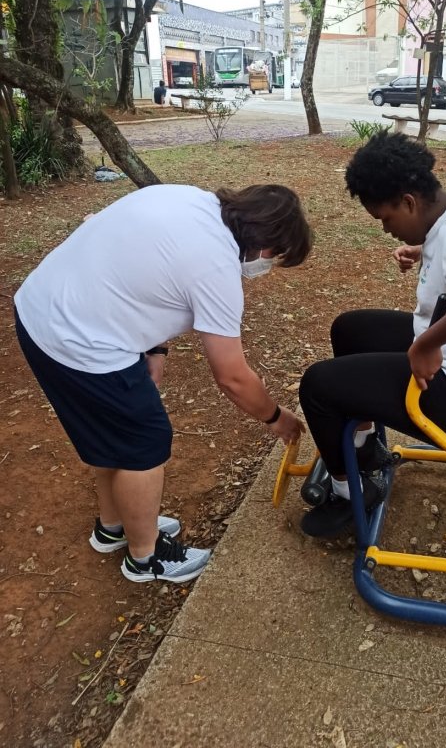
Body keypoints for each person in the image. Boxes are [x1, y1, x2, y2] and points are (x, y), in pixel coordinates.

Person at [14, 183, 312, 582]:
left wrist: (155, 348)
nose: (268, 266)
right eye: (275, 258)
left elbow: (142, 267)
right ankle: (146, 555)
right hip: (80, 340)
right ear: (265, 243)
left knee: (111, 434)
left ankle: (114, 527)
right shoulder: (217, 267)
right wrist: (276, 418)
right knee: (145, 442)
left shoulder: (186, 198)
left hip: (41, 308)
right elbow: (232, 376)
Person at [298, 132, 446, 538]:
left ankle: (348, 491)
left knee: (318, 386)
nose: (385, 229)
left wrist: (426, 344)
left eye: (386, 219)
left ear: (409, 201)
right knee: (350, 329)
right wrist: (426, 250)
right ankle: (364, 445)